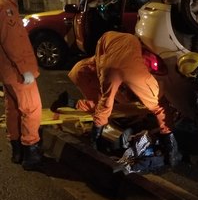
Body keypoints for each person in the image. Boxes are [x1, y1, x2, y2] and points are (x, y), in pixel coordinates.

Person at [51, 31, 182, 167]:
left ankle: (94, 140)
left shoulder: (107, 39)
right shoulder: (134, 42)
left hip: (106, 69)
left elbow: (104, 65)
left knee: (104, 105)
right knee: (159, 106)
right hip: (91, 74)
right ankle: (171, 150)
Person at [0, 0, 42, 170]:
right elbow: (13, 42)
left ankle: (16, 149)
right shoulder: (6, 8)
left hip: (6, 71)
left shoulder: (7, 6)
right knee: (31, 109)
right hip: (17, 71)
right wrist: (25, 69)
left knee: (13, 108)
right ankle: (30, 152)